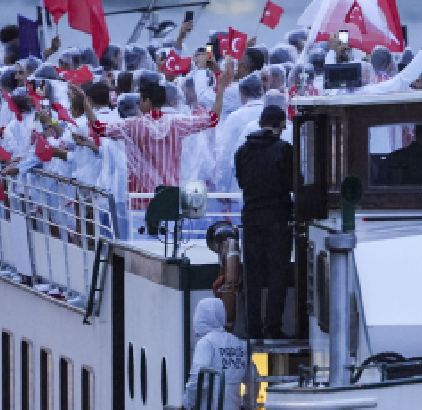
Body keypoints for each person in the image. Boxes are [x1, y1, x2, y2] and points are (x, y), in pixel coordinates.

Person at [106, 65, 234, 215]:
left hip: (142, 197)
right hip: (183, 193)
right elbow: (205, 163)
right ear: (175, 99)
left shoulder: (136, 125)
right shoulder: (185, 123)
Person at [176, 297, 256, 410]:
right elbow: (253, 379)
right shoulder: (238, 344)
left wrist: (186, 404)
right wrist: (246, 405)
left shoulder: (206, 343)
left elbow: (198, 378)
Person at [234, 105, 296, 339]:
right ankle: (273, 327)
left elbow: (241, 182)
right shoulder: (284, 150)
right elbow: (292, 184)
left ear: (260, 123)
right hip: (278, 217)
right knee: (277, 273)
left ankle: (252, 328)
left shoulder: (242, 152)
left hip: (251, 217)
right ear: (281, 124)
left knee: (253, 274)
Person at [214, 73, 265, 192]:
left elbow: (225, 153)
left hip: (241, 183)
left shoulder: (234, 117)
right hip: (271, 179)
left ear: (241, 94)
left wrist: (222, 187)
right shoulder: (271, 112)